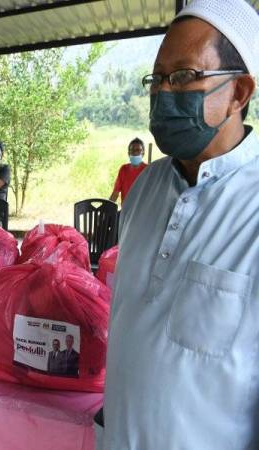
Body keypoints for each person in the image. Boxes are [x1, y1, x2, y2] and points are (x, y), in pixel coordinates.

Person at [100, 1, 259, 449]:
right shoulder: (146, 188)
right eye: (158, 79)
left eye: (186, 77)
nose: (165, 93)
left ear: (239, 92)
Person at [109, 138, 147, 205]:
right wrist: (106, 209)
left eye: (138, 150)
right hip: (126, 211)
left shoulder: (148, 170)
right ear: (128, 153)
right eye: (132, 150)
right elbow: (115, 193)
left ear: (143, 152)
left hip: (142, 210)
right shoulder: (124, 169)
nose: (135, 153)